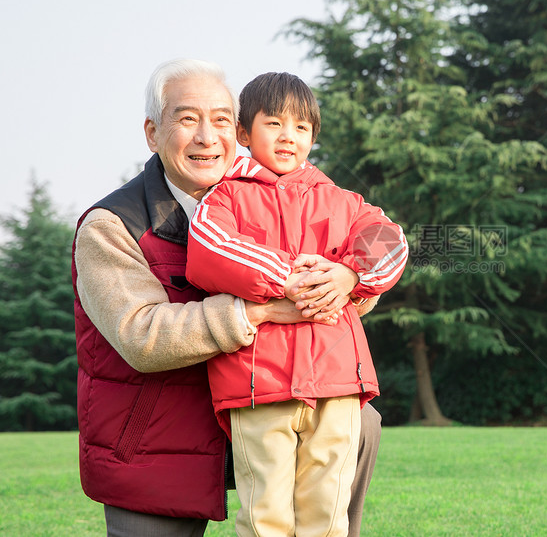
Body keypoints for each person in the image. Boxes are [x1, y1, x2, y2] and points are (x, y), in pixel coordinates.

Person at [73, 59, 382, 537]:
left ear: (236, 132)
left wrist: (344, 278)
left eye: (219, 119)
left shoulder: (283, 195)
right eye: (187, 119)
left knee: (360, 422)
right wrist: (258, 311)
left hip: (269, 397)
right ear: (153, 133)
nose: (206, 136)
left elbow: (360, 253)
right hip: (162, 432)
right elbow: (142, 336)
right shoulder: (111, 226)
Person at [185, 71, 408, 537]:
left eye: (302, 127)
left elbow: (392, 243)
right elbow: (211, 249)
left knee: (328, 513)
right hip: (256, 383)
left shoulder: (343, 201)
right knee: (266, 515)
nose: (289, 136)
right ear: (244, 133)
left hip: (337, 380)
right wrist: (292, 277)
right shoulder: (225, 196)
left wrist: (350, 275)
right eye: (274, 123)